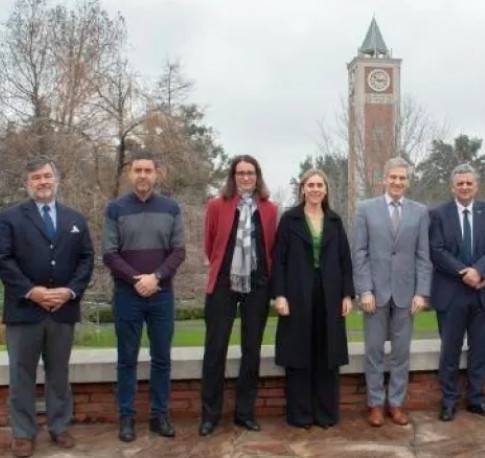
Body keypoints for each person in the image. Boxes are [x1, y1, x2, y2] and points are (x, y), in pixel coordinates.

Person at [0, 157, 94, 458]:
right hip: (24, 311)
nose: (43, 182)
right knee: (21, 374)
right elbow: (1, 260)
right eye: (36, 178)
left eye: (47, 176)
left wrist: (70, 291)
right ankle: (23, 433)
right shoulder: (10, 217)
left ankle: (59, 427)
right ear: (27, 184)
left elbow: (87, 259)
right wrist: (31, 291)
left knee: (58, 373)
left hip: (63, 310)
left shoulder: (75, 218)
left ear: (56, 180)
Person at [103, 150, 186, 442]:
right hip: (127, 295)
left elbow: (179, 251)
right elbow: (109, 253)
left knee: (161, 358)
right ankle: (126, 417)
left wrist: (156, 277)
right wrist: (137, 279)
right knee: (126, 359)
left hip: (162, 295)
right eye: (137, 170)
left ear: (156, 174)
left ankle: (159, 415)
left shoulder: (171, 208)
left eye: (147, 170)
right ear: (130, 174)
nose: (142, 175)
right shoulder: (115, 209)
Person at [199, 155, 277, 436]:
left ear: (258, 176)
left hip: (257, 285)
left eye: (251, 173)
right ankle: (210, 415)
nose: (245, 177)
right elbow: (210, 245)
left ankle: (245, 413)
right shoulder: (217, 205)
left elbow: (271, 247)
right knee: (215, 350)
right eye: (240, 173)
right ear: (233, 177)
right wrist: (229, 271)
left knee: (251, 351)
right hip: (223, 284)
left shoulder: (269, 209)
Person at [352, 157, 431, 427]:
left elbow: (423, 255)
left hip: (406, 295)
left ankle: (395, 403)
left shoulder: (420, 212)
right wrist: (364, 290)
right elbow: (359, 253)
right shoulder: (365, 209)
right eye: (393, 177)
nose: (398, 182)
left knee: (401, 353)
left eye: (402, 178)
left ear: (408, 181)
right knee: (373, 351)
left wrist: (422, 291)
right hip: (374, 294)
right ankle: (375, 404)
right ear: (384, 179)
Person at [271, 169, 353, 429]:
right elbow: (279, 261)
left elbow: (345, 262)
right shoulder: (290, 220)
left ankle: (326, 414)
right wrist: (280, 295)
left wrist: (347, 294)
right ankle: (301, 415)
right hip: (297, 294)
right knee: (299, 353)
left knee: (327, 354)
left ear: (326, 190)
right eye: (311, 185)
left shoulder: (335, 221)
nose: (316, 189)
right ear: (303, 189)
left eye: (320, 185)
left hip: (329, 295)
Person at [429, 163, 485, 422]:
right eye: (459, 183)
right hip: (451, 294)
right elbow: (437, 251)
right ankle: (449, 401)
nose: (464, 187)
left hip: (483, 292)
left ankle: (476, 399)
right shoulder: (438, 214)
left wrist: (478, 272)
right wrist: (465, 272)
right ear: (452, 186)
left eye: (469, 183)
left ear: (476, 186)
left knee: (481, 350)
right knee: (449, 351)